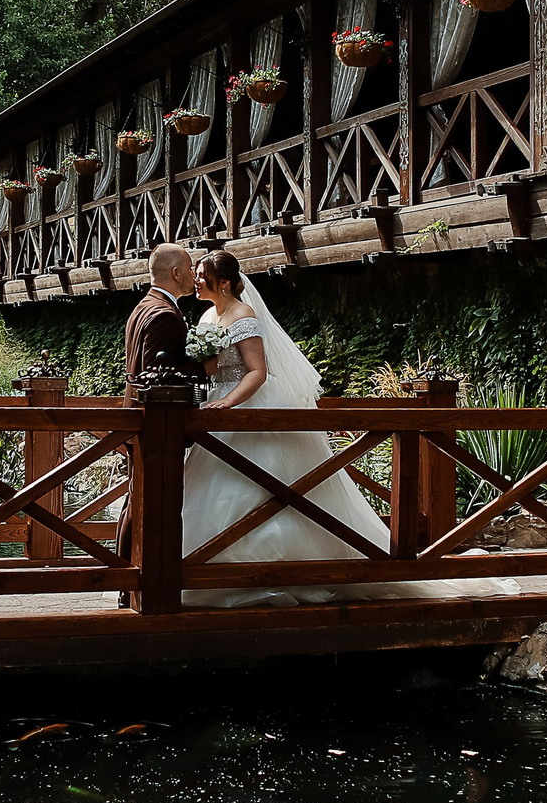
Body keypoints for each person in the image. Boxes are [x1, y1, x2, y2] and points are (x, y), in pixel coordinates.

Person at [177, 249, 513, 609]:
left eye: (201, 274)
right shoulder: (209, 315)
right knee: (219, 488)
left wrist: (229, 403)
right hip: (213, 408)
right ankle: (204, 569)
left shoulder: (244, 316)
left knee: (268, 488)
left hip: (246, 408)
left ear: (224, 282)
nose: (196, 280)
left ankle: (277, 570)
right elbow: (213, 368)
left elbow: (257, 372)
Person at [121, 242, 205, 396]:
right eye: (190, 268)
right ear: (176, 274)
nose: (193, 274)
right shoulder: (165, 316)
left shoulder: (143, 307)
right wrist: (205, 368)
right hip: (158, 415)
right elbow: (156, 376)